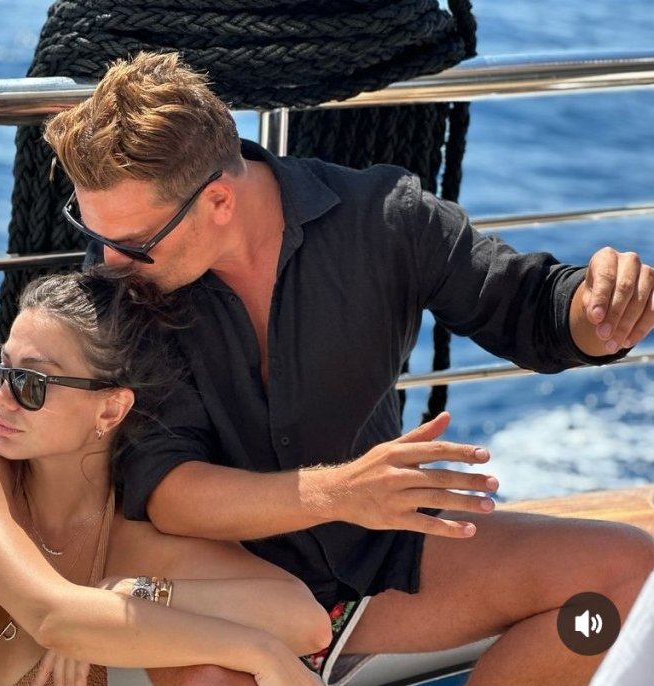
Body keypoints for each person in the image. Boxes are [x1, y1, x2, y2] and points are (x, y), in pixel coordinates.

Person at [43, 51, 654, 686]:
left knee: (627, 584)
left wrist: (603, 308)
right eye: (95, 233)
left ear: (219, 200)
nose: (107, 261)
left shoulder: (385, 219)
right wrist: (343, 492)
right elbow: (168, 493)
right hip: (218, 584)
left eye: (134, 242)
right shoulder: (122, 285)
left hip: (377, 552)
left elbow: (529, 308)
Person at [0, 270, 331, 686]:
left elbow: (306, 621)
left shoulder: (129, 543)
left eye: (31, 382)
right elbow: (52, 618)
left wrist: (134, 592)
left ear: (110, 409)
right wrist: (256, 650)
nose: (0, 397)